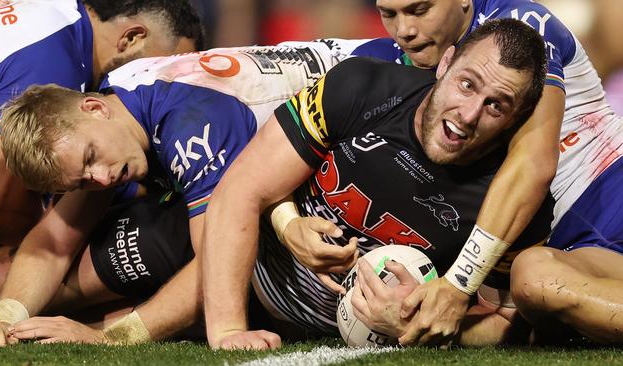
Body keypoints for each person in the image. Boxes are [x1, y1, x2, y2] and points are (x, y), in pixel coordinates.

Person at [0, 40, 362, 347]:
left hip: (377, 116)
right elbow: (54, 239)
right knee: (2, 276)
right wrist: (4, 320)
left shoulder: (188, 126)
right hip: (320, 144)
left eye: (91, 158)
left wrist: (113, 338)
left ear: (93, 107)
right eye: (81, 181)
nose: (102, 179)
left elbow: (217, 265)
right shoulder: (116, 106)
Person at [281, 0, 623, 345]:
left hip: (609, 196)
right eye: (388, 13)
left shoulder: (520, 26)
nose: (405, 30)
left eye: (419, 9)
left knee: (536, 283)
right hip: (567, 246)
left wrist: (459, 283)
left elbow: (532, 166)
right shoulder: (390, 64)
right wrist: (285, 220)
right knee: (539, 292)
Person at [202, 18, 551, 350]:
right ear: (445, 64)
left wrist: (423, 326)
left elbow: (506, 319)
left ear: (516, 120)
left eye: (495, 106)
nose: (469, 113)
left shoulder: (515, 200)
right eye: (467, 84)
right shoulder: (361, 86)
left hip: (342, 339)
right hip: (249, 280)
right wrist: (230, 329)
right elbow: (241, 188)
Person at [0, 0, 205, 247]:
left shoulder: (56, 17)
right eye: (162, 69)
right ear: (132, 38)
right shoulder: (53, 66)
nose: (166, 87)